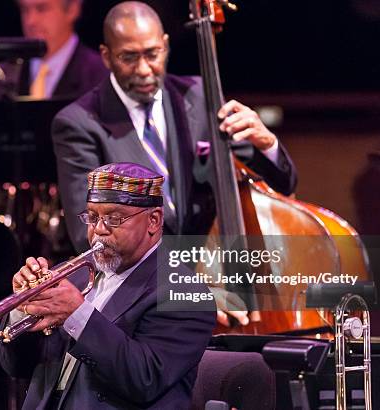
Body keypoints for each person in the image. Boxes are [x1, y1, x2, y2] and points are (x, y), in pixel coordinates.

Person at [51, 1, 297, 325]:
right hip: (136, 301)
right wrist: (188, 291)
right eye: (129, 57)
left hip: (215, 282)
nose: (143, 69)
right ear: (107, 56)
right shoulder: (79, 123)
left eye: (152, 54)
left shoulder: (200, 96)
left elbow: (284, 185)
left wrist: (268, 145)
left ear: (165, 46)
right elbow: (96, 240)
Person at [0, 162, 216, 409]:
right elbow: (16, 367)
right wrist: (23, 307)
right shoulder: (73, 274)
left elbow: (144, 379)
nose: (99, 230)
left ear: (153, 221)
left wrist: (77, 314)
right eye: (92, 217)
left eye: (114, 218)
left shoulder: (185, 293)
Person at [0, 0, 108, 100]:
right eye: (25, 10)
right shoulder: (3, 75)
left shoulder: (100, 75)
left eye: (42, 8)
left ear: (72, 9)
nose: (31, 21)